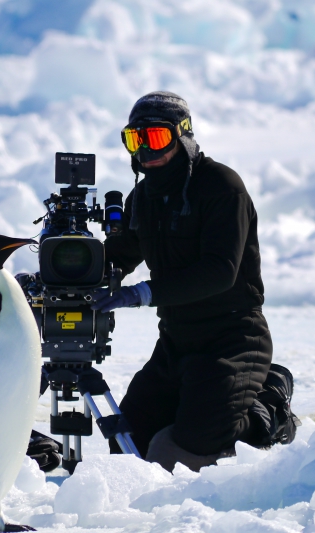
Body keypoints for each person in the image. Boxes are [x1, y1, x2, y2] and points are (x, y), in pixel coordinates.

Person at [90, 91, 285, 472]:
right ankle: (207, 403)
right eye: (135, 139)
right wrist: (64, 272)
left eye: (157, 137)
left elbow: (219, 271)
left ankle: (269, 401)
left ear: (183, 136)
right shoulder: (142, 196)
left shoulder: (221, 186)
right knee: (129, 438)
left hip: (232, 340)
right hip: (176, 343)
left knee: (197, 440)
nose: (145, 149)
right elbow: (119, 256)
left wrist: (141, 293)